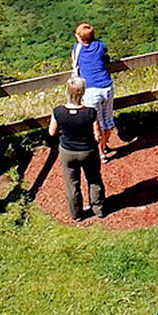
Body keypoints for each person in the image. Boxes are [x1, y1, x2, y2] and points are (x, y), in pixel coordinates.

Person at [49, 78, 105, 220]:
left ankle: (77, 214)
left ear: (67, 92)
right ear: (83, 92)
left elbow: (52, 132)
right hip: (88, 150)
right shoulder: (90, 112)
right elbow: (98, 135)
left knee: (72, 184)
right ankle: (98, 208)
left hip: (68, 151)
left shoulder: (58, 111)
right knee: (94, 179)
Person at [72, 23, 117, 160]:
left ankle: (101, 152)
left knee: (97, 124)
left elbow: (74, 63)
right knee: (108, 121)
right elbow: (105, 57)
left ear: (80, 38)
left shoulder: (77, 49)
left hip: (91, 90)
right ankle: (103, 146)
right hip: (107, 87)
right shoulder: (100, 46)